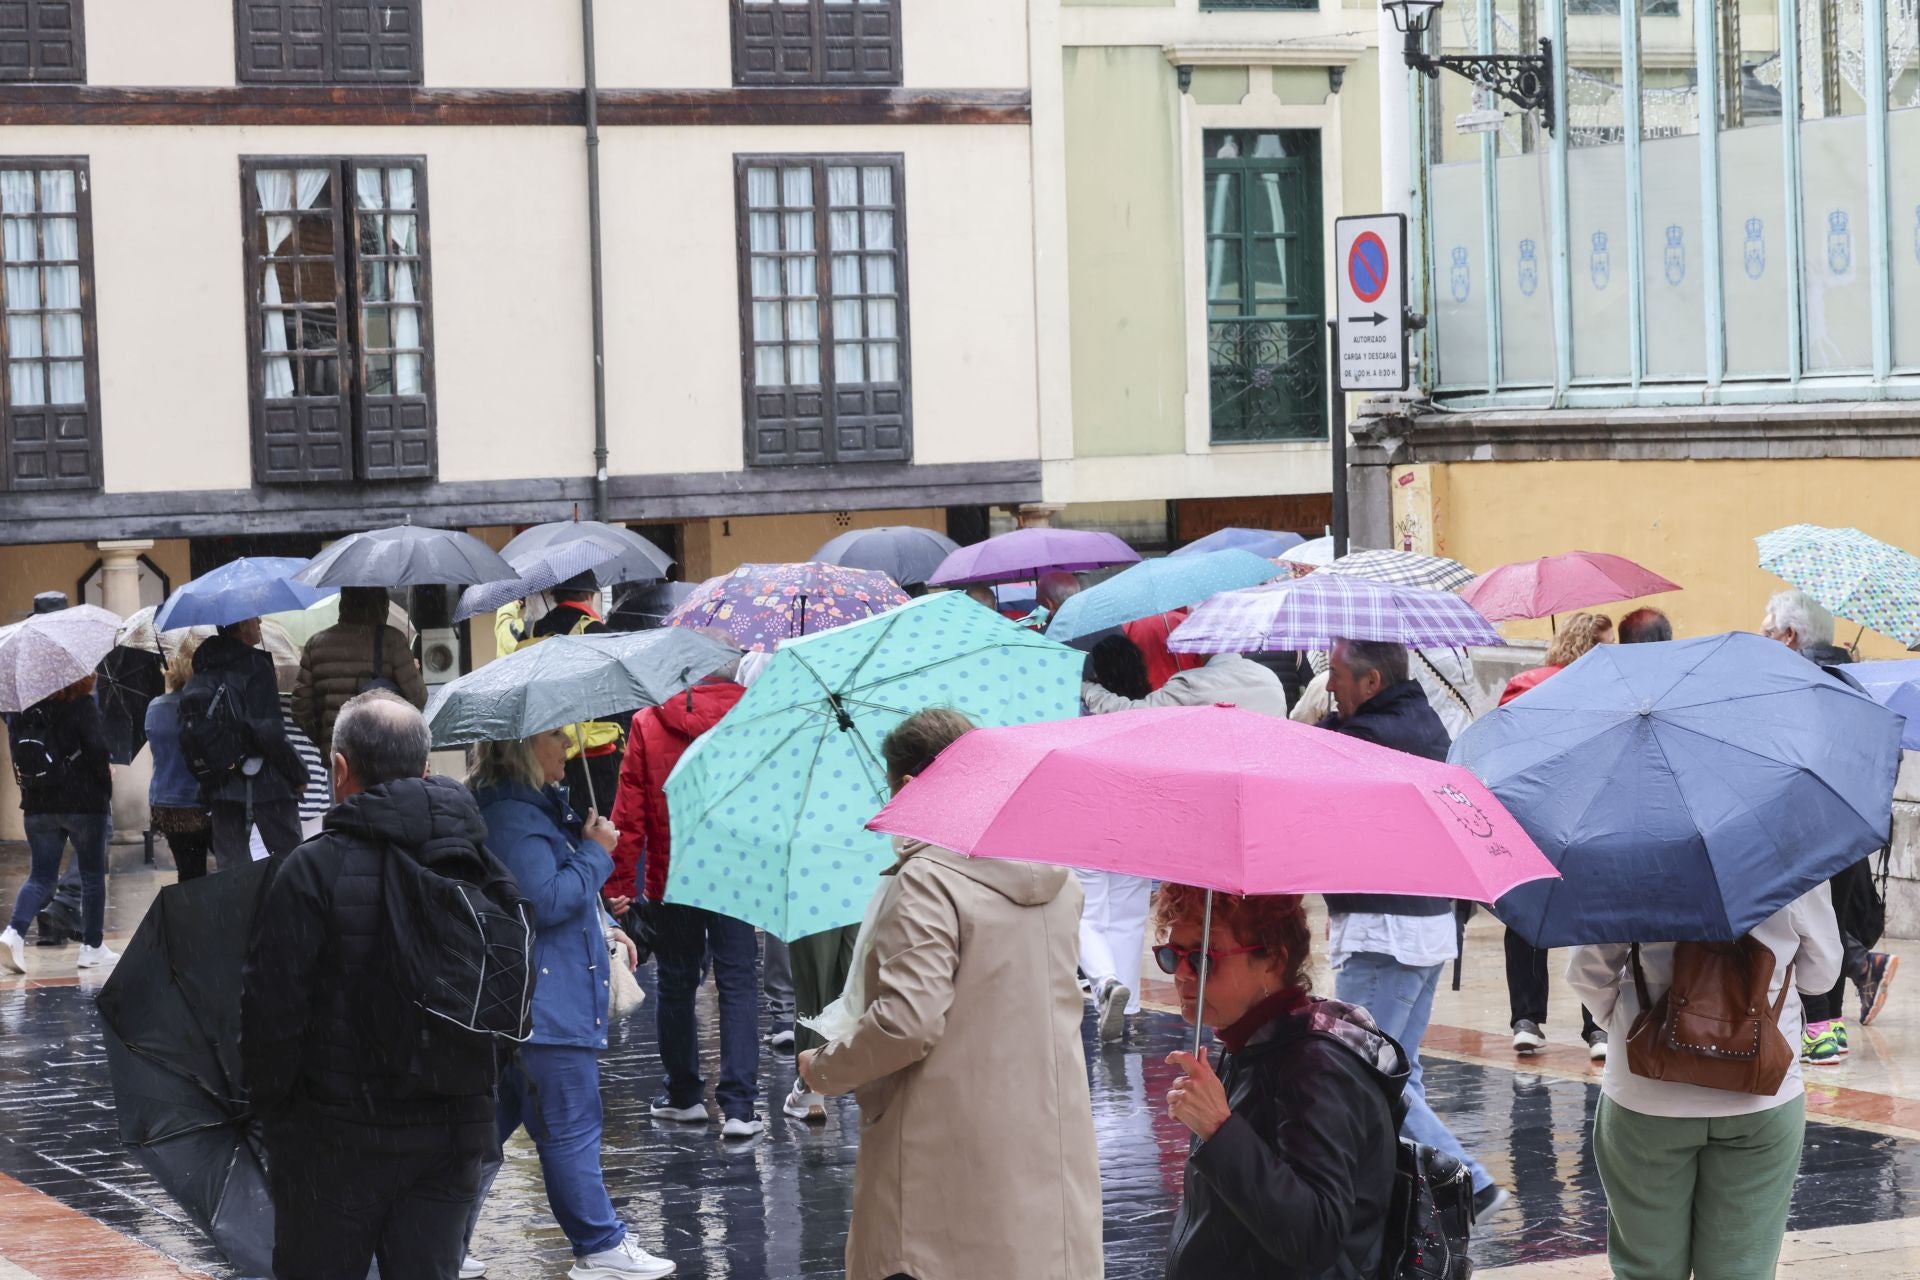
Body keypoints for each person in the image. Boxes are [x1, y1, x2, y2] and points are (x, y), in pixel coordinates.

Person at [796, 708, 1101, 1280]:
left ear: (911, 787)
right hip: (1043, 1146)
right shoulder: (1058, 878)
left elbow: (906, 1024)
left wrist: (826, 1068)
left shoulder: (928, 880)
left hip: (941, 1155)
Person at [241, 692, 501, 1280]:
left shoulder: (310, 869)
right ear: (426, 769)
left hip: (333, 1143)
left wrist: (275, 1118)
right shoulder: (477, 860)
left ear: (339, 769)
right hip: (452, 1131)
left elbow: (271, 1016)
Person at [466, 729, 677, 1280]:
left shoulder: (529, 810)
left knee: (486, 1130)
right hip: (548, 1003)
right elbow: (546, 900)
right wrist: (594, 853)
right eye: (554, 737)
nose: (566, 745)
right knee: (570, 1126)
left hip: (529, 1002)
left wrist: (605, 918)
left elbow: (553, 889)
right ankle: (601, 1245)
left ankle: (441, 1236)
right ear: (524, 749)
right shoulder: (516, 818)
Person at [1317, 637, 1508, 1220]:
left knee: (1362, 1074)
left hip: (1383, 932)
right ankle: (1424, 1192)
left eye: (1337, 676)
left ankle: (1468, 1184)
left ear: (1371, 683)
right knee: (1402, 1072)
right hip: (1422, 926)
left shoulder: (1367, 739)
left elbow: (1313, 764)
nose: (1329, 686)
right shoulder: (1420, 723)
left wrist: (1325, 726)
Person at [1568, 884, 1841, 1279]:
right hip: (1762, 1093)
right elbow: (1821, 975)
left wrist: (1630, 1027)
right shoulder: (1792, 853)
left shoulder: (1633, 856)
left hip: (1646, 1096)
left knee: (1645, 1268)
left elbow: (1587, 972)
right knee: (1742, 1269)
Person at [1156, 885, 1407, 1280]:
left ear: (1273, 960)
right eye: (1172, 956)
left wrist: (1219, 1129)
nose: (1184, 975)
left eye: (1205, 958)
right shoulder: (1253, 1043)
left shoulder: (1313, 1066)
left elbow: (1315, 1237)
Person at [609, 667, 764, 1138]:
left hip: (673, 873)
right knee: (737, 979)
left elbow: (630, 815)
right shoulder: (754, 713)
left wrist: (618, 883)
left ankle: (684, 1095)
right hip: (737, 869)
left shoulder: (648, 722)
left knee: (677, 979)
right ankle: (739, 1108)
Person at [1762, 588, 1897, 1062]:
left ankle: (1815, 1028)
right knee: (1833, 922)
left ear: (1790, 635)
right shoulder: (1852, 683)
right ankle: (1827, 1028)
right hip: (1849, 822)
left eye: (1767, 631)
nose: (1762, 637)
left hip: (1798, 825)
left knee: (1800, 924)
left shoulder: (1787, 682)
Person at [1492, 613, 1615, 1060]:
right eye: (1606, 644)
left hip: (1527, 814)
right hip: (1587, 815)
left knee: (1525, 914)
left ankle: (1526, 1020)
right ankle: (1597, 1028)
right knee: (1592, 920)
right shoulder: (1602, 692)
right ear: (1587, 646)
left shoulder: (1524, 684)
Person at [1, 676, 115, 972]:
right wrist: (104, 783)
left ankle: (13, 933)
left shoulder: (23, 711)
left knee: (40, 877)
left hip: (38, 805)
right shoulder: (82, 705)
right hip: (84, 804)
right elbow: (97, 749)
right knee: (91, 877)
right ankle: (92, 947)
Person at [191, 617, 309, 866]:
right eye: (254, 618)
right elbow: (268, 731)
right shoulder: (255, 666)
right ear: (242, 625)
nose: (260, 621)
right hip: (268, 785)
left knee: (231, 871)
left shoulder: (204, 667)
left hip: (221, 784)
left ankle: (242, 906)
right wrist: (298, 773)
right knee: (289, 865)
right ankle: (280, 906)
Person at [290, 585, 428, 753]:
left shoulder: (316, 644)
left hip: (338, 753)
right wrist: (413, 672)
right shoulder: (392, 641)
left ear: (343, 602)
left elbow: (300, 709)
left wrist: (328, 736)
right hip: (383, 751)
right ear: (382, 604)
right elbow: (418, 699)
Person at [1081, 636, 1290, 719]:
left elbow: (1130, 714)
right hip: (1266, 781)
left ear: (1202, 646)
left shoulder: (1192, 683)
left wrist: (1088, 689)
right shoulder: (1270, 678)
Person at [144, 646, 213, 882]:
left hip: (165, 800)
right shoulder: (202, 706)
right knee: (220, 866)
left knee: (188, 871)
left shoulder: (155, 706)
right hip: (196, 800)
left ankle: (185, 916)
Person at [1497, 610, 1613, 706]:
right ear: (1591, 650)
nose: (1615, 649)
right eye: (1610, 645)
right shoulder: (1528, 684)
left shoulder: (1527, 682)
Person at [1761, 588, 1851, 666]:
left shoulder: (1782, 679)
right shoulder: (1854, 676)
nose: (1759, 641)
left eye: (1768, 635)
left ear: (1790, 634)